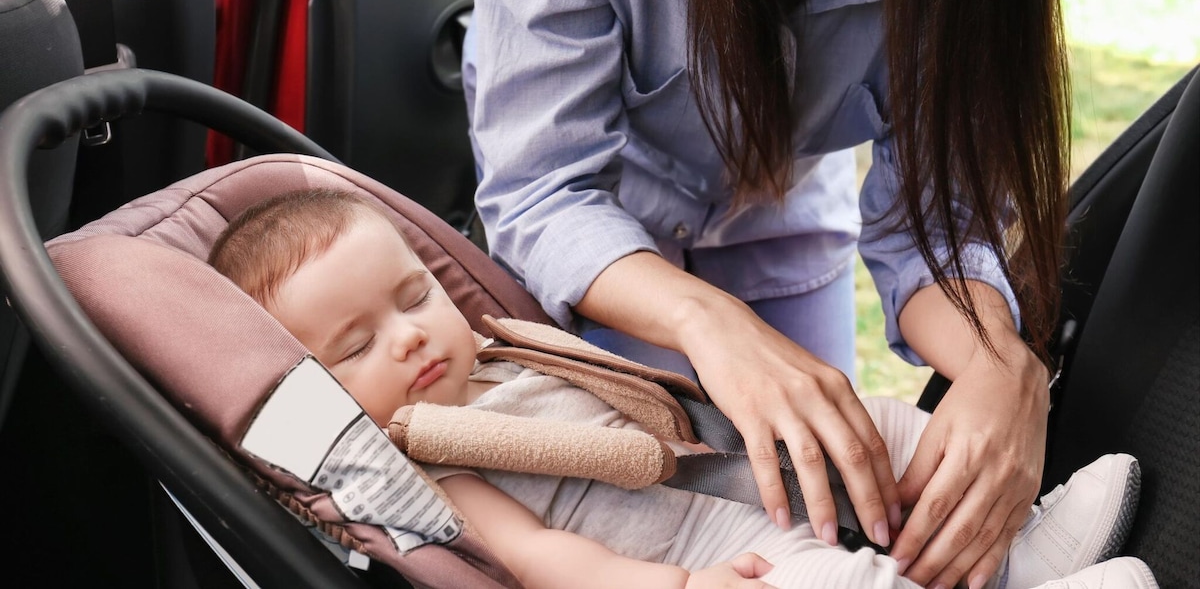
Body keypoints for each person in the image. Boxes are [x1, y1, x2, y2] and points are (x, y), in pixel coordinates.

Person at [462, 0, 1073, 587]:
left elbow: (936, 223)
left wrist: (999, 365)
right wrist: (707, 319)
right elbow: (543, 190)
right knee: (666, 523)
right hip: (603, 242)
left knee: (830, 496)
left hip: (784, 213)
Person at [207, 189, 1155, 589]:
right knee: (824, 579)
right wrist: (683, 586)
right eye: (358, 344)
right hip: (689, 548)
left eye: (414, 295)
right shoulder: (426, 468)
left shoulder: (501, 354)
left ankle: (1017, 545)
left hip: (712, 452)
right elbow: (540, 558)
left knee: (871, 425)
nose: (411, 332)